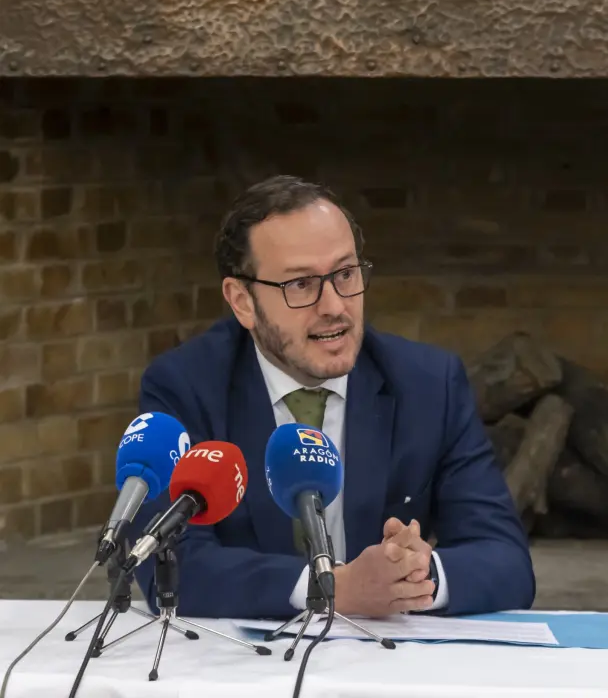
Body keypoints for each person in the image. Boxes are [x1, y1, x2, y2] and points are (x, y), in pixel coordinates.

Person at [128, 175, 535, 619]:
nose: (335, 307)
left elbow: (506, 560)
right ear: (242, 301)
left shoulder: (428, 384)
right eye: (301, 284)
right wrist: (331, 589)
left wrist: (416, 575)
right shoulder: (187, 386)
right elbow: (166, 561)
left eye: (345, 274)